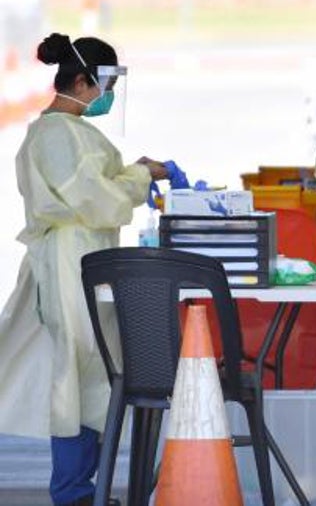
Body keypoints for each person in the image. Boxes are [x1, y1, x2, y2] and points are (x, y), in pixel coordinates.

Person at [0, 33, 170, 506]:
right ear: (81, 81)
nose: (108, 97)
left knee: (95, 375)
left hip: (88, 258)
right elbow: (91, 198)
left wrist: (132, 172)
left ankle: (83, 489)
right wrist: (141, 176)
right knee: (76, 375)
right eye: (104, 85)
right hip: (69, 261)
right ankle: (71, 491)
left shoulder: (70, 132)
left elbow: (96, 186)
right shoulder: (54, 134)